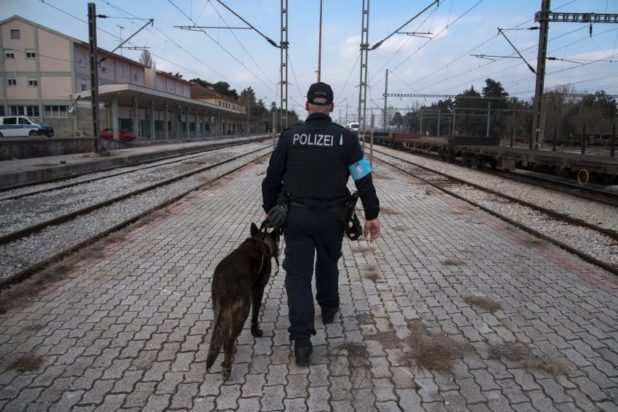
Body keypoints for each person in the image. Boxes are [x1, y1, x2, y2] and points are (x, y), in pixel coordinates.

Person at [261, 82, 381, 366]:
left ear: (307, 106)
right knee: (328, 263)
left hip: (296, 218)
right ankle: (328, 310)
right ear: (331, 107)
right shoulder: (346, 139)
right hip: (332, 218)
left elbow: (271, 178)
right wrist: (372, 214)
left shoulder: (290, 137)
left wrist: (269, 209)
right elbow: (363, 178)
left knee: (297, 275)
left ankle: (302, 341)